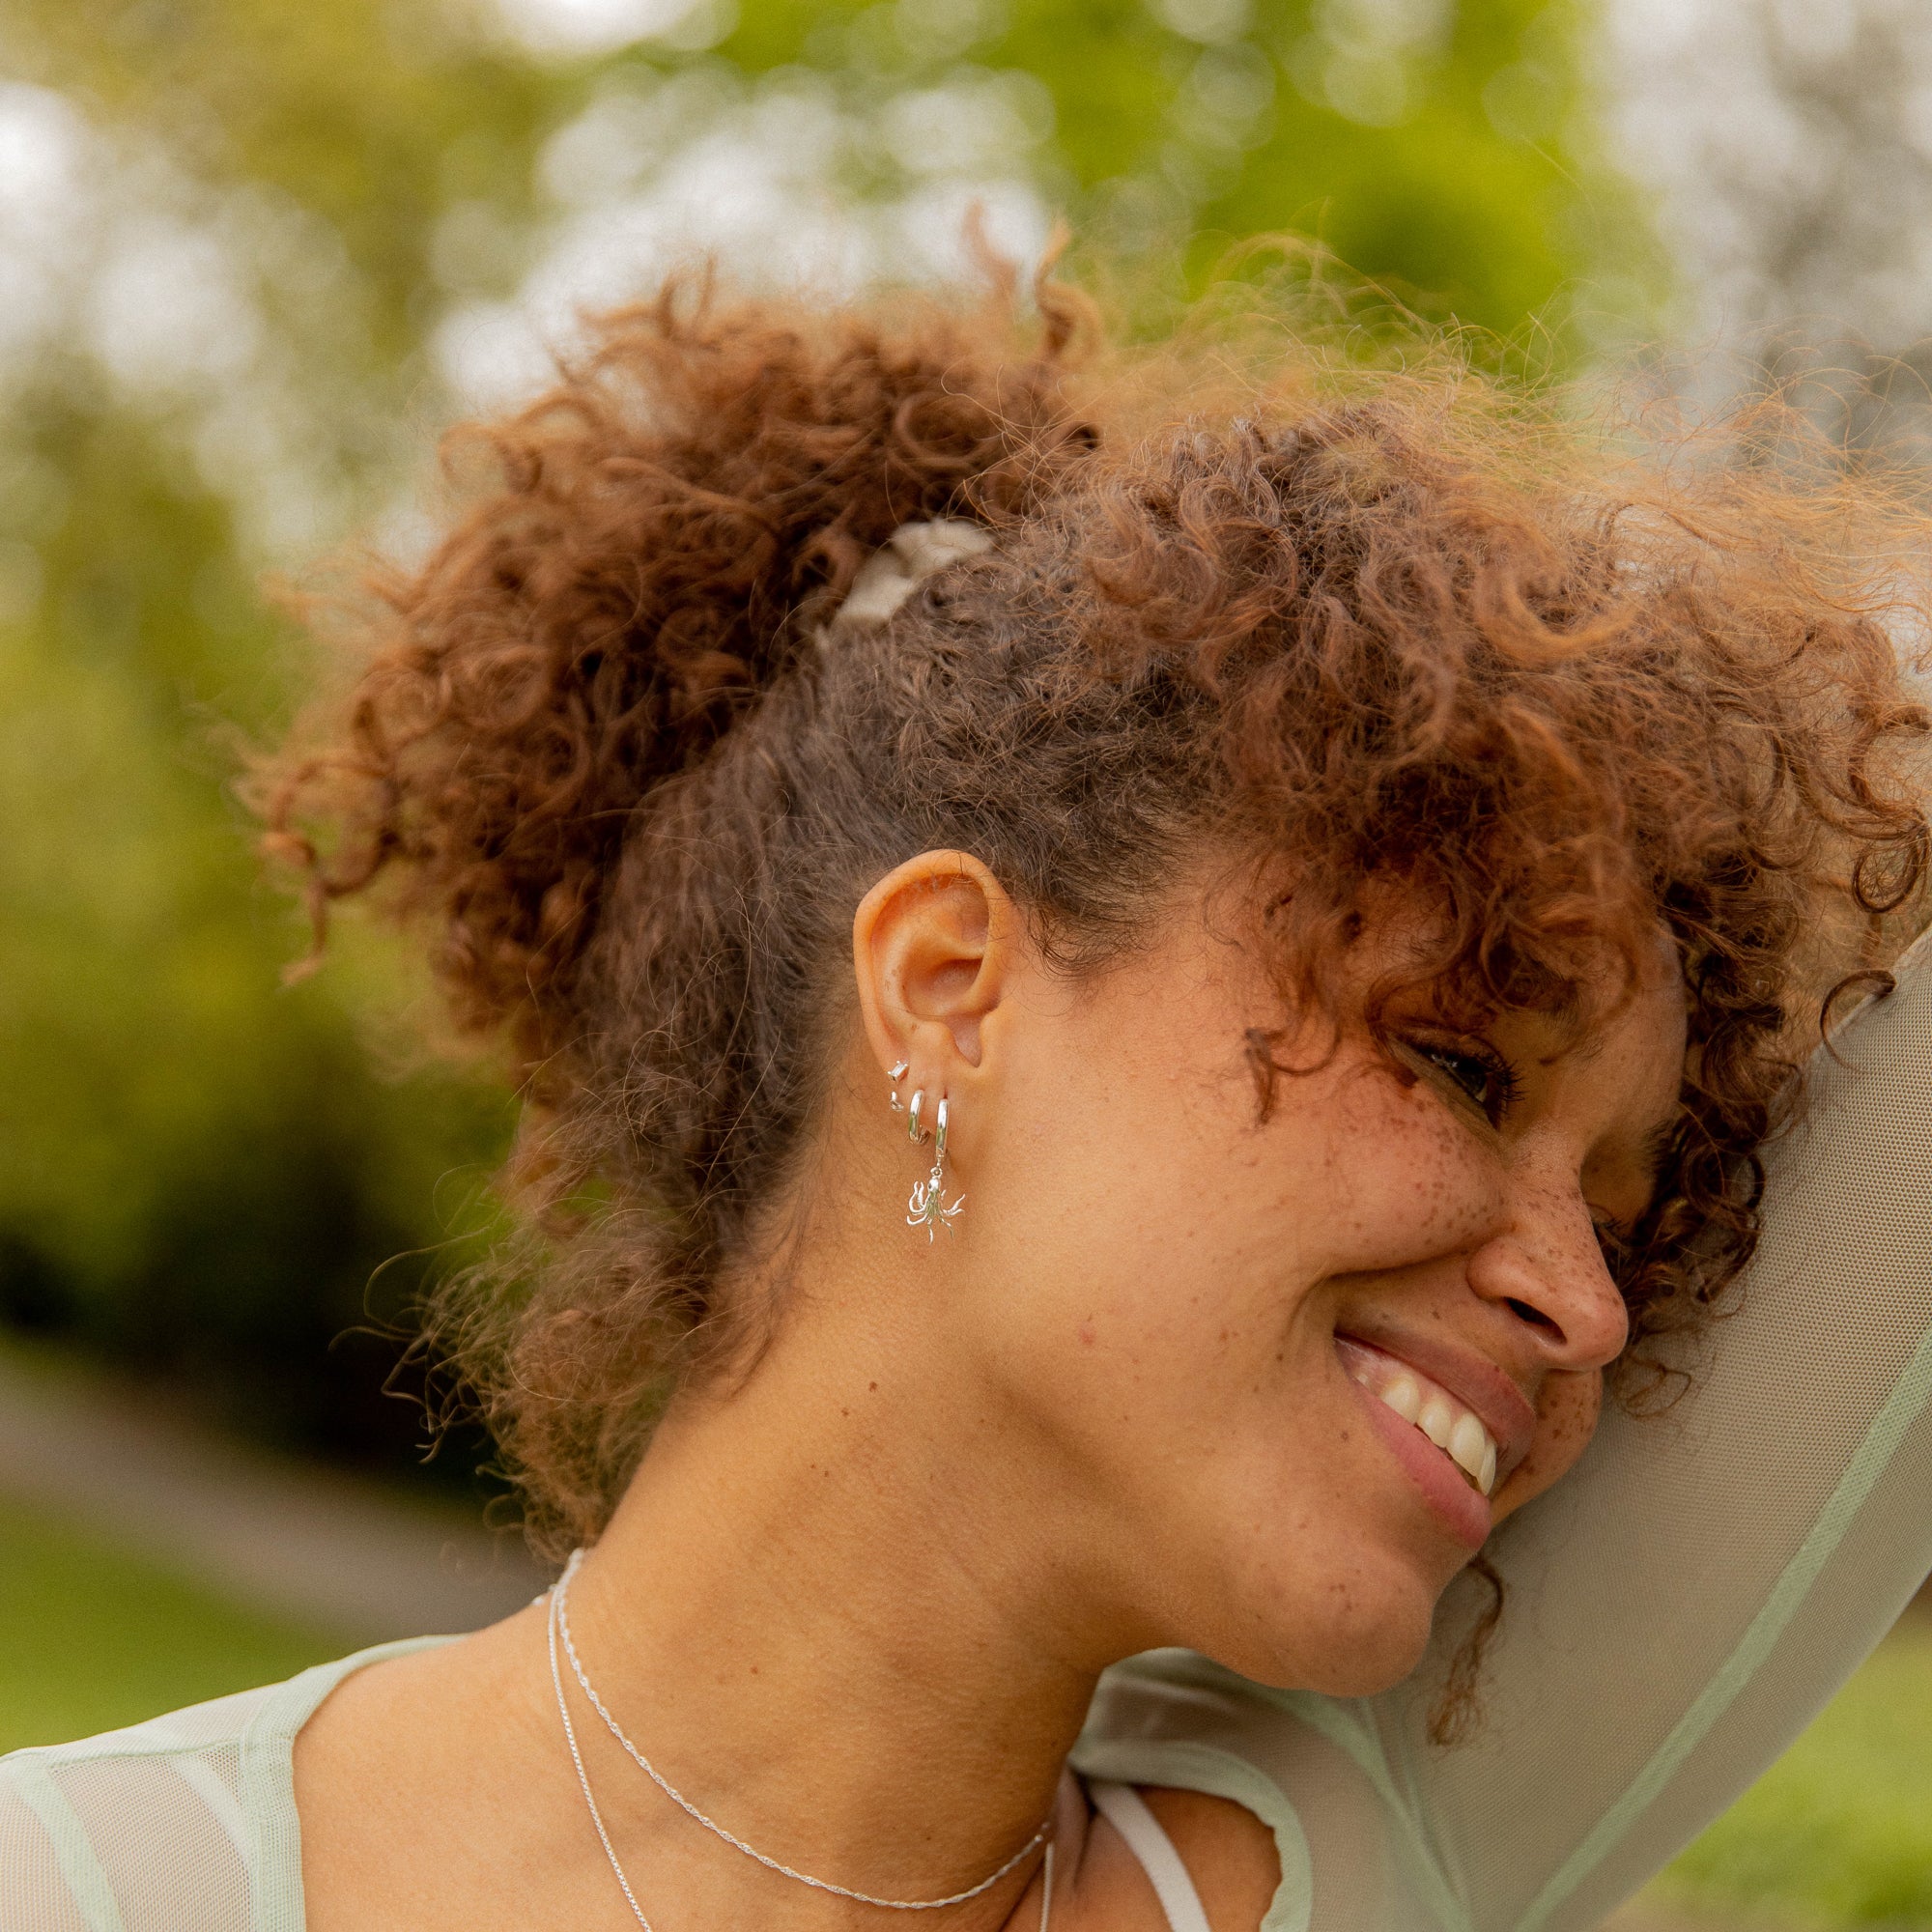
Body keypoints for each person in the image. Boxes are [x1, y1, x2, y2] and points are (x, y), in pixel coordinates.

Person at [5, 277, 1931, 1932]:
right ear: (949, 991)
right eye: (1451, 1057)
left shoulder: (1366, 1859)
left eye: (1613, 1202)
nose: (1586, 1304)